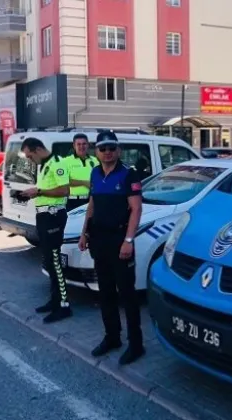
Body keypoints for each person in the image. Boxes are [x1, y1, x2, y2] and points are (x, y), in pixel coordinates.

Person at [78, 130, 145, 365]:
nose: (107, 152)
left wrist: (128, 241)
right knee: (105, 293)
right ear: (96, 151)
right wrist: (84, 233)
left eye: (111, 148)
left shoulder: (128, 174)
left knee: (127, 295)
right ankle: (112, 337)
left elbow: (136, 209)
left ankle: (136, 345)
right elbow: (92, 205)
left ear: (118, 150)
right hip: (99, 241)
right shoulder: (95, 173)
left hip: (120, 242)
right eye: (102, 148)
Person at [19, 138, 74, 324]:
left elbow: (65, 190)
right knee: (49, 261)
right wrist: (34, 192)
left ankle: (64, 305)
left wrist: (39, 192)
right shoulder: (44, 165)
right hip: (43, 216)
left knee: (55, 261)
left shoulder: (57, 163)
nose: (29, 159)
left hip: (53, 217)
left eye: (30, 155)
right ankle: (55, 300)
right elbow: (45, 189)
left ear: (38, 149)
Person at [64, 133, 99, 211]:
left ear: (87, 145)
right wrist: (84, 183)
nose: (81, 147)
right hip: (73, 202)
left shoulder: (95, 161)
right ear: (74, 145)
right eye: (78, 144)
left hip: (92, 200)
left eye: (84, 144)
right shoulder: (65, 161)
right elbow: (63, 181)